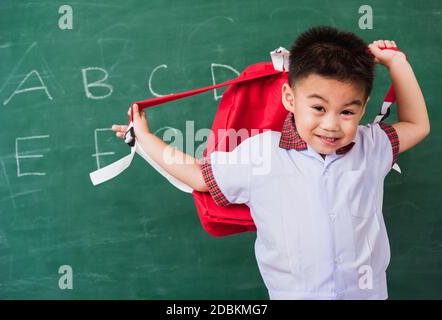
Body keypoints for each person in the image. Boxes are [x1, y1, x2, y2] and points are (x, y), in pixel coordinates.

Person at [112, 26, 430, 299]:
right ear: (289, 99)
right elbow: (198, 176)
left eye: (347, 111)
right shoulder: (262, 153)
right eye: (318, 108)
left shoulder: (371, 145)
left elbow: (418, 125)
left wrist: (397, 64)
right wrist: (144, 137)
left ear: (362, 110)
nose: (332, 124)